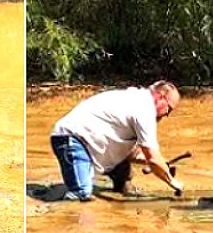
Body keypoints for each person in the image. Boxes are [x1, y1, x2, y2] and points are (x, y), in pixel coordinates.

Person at [50, 81, 183, 201]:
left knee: (124, 176)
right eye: (168, 109)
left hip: (91, 143)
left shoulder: (139, 101)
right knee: (81, 195)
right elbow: (152, 158)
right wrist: (173, 182)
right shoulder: (144, 109)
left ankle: (118, 187)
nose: (167, 114)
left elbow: (134, 153)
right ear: (160, 97)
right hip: (72, 138)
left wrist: (162, 165)